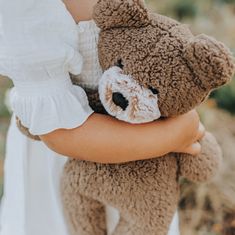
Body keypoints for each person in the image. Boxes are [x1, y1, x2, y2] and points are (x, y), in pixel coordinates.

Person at [0, 0, 205, 234]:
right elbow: (59, 134)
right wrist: (171, 136)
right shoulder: (27, 8)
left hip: (143, 171)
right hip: (70, 160)